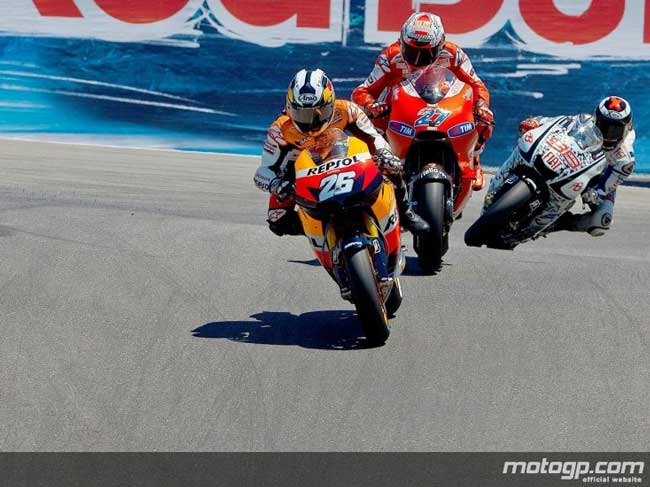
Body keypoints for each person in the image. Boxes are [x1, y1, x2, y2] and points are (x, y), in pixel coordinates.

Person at [253, 68, 429, 237]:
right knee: (277, 219)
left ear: (330, 103)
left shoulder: (347, 110)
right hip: (303, 174)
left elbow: (375, 137)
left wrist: (385, 154)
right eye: (302, 114)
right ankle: (322, 230)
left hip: (349, 160)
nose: (311, 122)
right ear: (290, 107)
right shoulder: (280, 129)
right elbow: (262, 172)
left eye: (318, 113)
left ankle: (406, 213)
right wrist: (276, 184)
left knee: (391, 166)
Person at [351, 11, 494, 191]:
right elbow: (362, 91)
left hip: (442, 106)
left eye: (426, 53)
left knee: (484, 119)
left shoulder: (454, 54)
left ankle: (473, 157)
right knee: (374, 123)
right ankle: (378, 167)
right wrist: (371, 106)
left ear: (440, 44)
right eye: (411, 50)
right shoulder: (389, 57)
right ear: (402, 41)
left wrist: (481, 105)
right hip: (401, 110)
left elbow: (476, 84)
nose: (417, 59)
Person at [503, 96, 635, 237]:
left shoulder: (625, 158)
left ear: (626, 128)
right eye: (604, 126)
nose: (608, 134)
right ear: (596, 119)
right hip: (574, 160)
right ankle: (504, 177)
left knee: (602, 222)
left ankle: (556, 223)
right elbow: (557, 123)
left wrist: (599, 191)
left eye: (615, 130)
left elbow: (612, 180)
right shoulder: (585, 121)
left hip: (599, 177)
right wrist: (537, 122)